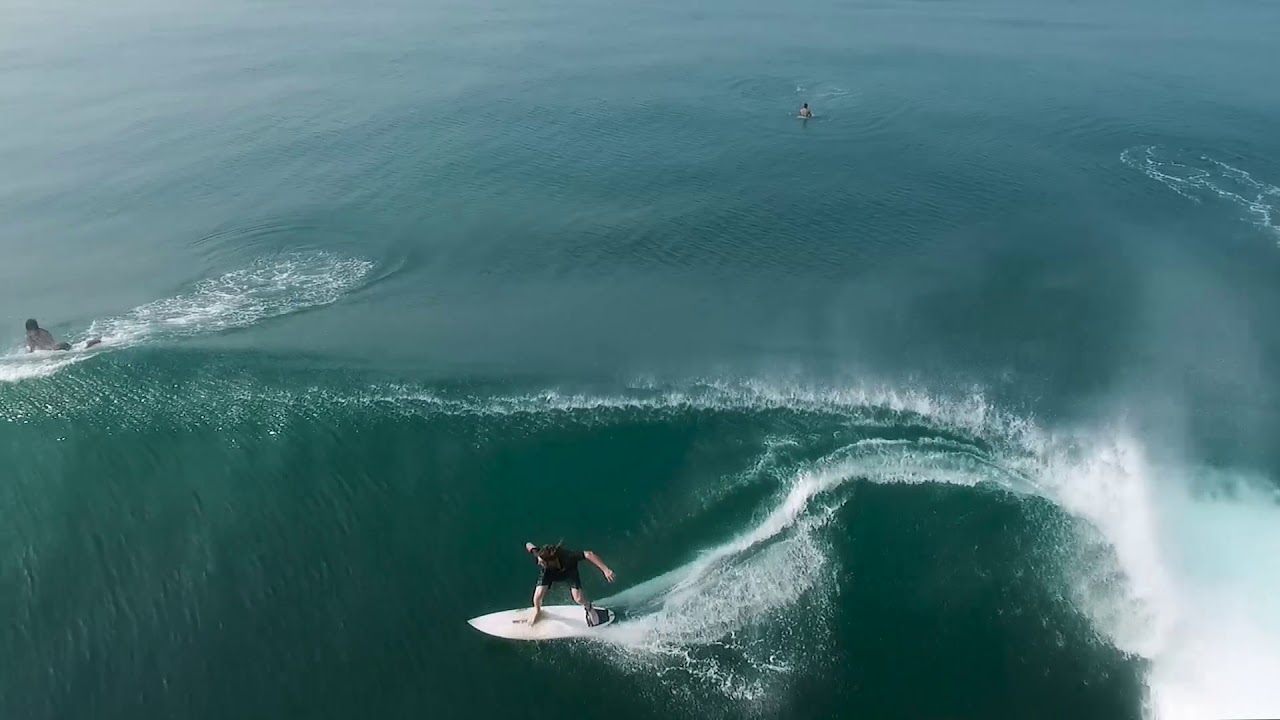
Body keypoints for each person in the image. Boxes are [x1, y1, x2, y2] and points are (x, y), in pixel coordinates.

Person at [522, 541, 615, 626]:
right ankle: (537, 611)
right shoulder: (541, 555)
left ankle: (589, 608)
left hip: (569, 571)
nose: (539, 563)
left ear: (552, 560)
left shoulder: (568, 556)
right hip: (549, 573)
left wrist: (605, 570)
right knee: (537, 597)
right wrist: (531, 547)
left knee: (578, 598)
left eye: (542, 562)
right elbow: (529, 545)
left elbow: (589, 554)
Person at [24, 319, 100, 353]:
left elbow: (51, 343)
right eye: (30, 331)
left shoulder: (42, 333)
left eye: (32, 331)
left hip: (58, 347)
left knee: (78, 350)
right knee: (77, 349)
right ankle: (88, 343)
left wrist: (50, 349)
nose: (31, 333)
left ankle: (90, 343)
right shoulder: (31, 336)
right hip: (55, 348)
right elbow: (32, 349)